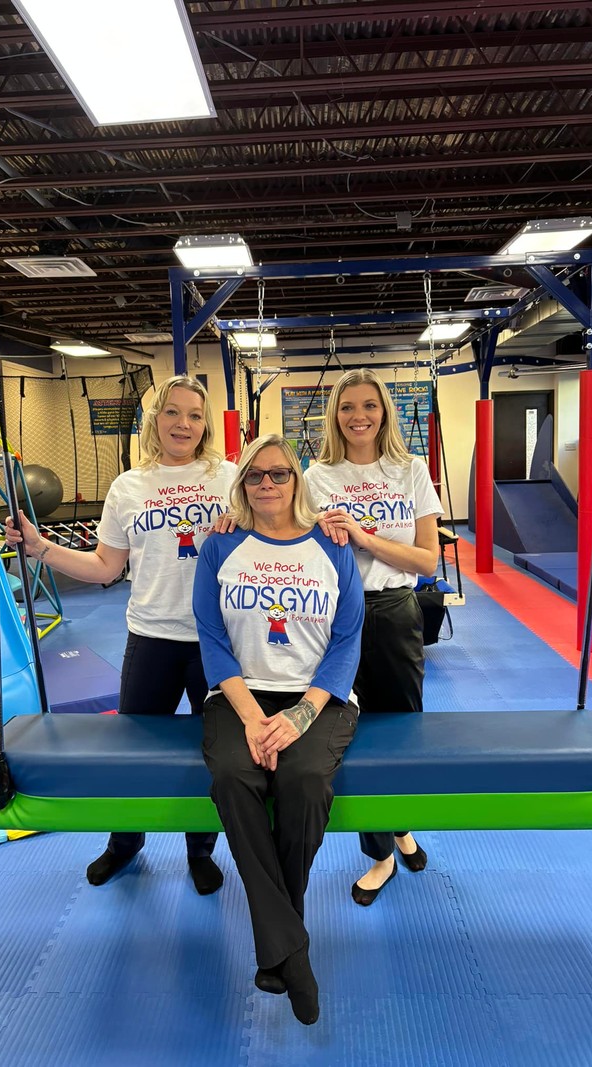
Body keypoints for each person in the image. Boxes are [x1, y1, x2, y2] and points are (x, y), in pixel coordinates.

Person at [5, 374, 236, 894]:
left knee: (213, 751)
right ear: (154, 421)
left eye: (195, 415)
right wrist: (43, 549)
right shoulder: (129, 486)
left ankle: (200, 848)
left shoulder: (230, 478)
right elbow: (106, 567)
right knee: (131, 752)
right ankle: (124, 843)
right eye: (172, 412)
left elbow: (273, 532)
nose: (184, 423)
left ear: (205, 424)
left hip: (216, 642)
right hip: (151, 636)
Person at [192, 434, 364, 1026]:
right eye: (256, 476)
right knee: (236, 778)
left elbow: (347, 640)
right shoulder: (222, 545)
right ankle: (293, 950)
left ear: (298, 480)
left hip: (319, 697)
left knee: (306, 779)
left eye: (279, 474)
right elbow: (211, 638)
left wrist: (299, 715)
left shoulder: (332, 545)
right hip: (240, 694)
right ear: (243, 485)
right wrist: (251, 716)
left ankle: (277, 948)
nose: (267, 484)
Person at [303, 369, 442, 907]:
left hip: (396, 609)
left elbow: (426, 559)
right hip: (338, 617)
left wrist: (363, 536)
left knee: (404, 727)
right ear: (334, 415)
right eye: (347, 407)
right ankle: (381, 850)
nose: (358, 416)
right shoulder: (318, 477)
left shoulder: (410, 471)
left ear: (384, 411)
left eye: (369, 405)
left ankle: (401, 820)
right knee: (349, 731)